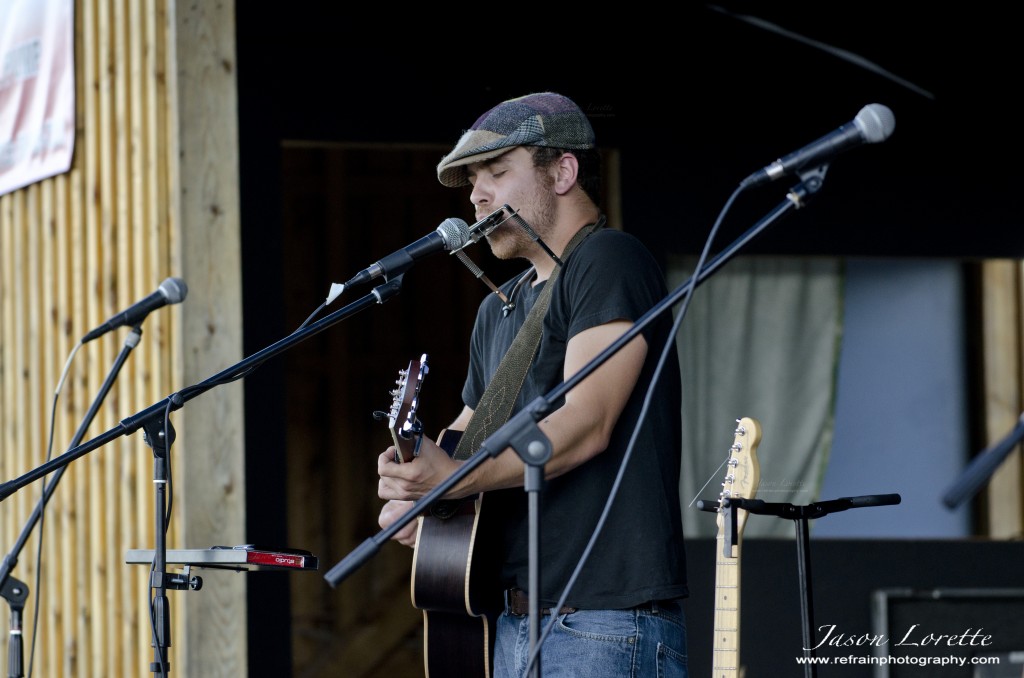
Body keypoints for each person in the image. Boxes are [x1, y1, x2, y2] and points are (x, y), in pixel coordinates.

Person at [377, 92, 688, 677]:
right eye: (473, 180)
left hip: (605, 622)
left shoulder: (608, 259)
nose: (477, 195)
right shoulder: (499, 309)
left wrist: (453, 478)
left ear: (563, 172)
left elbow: (585, 423)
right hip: (511, 623)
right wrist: (417, 490)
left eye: (498, 171)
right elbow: (460, 448)